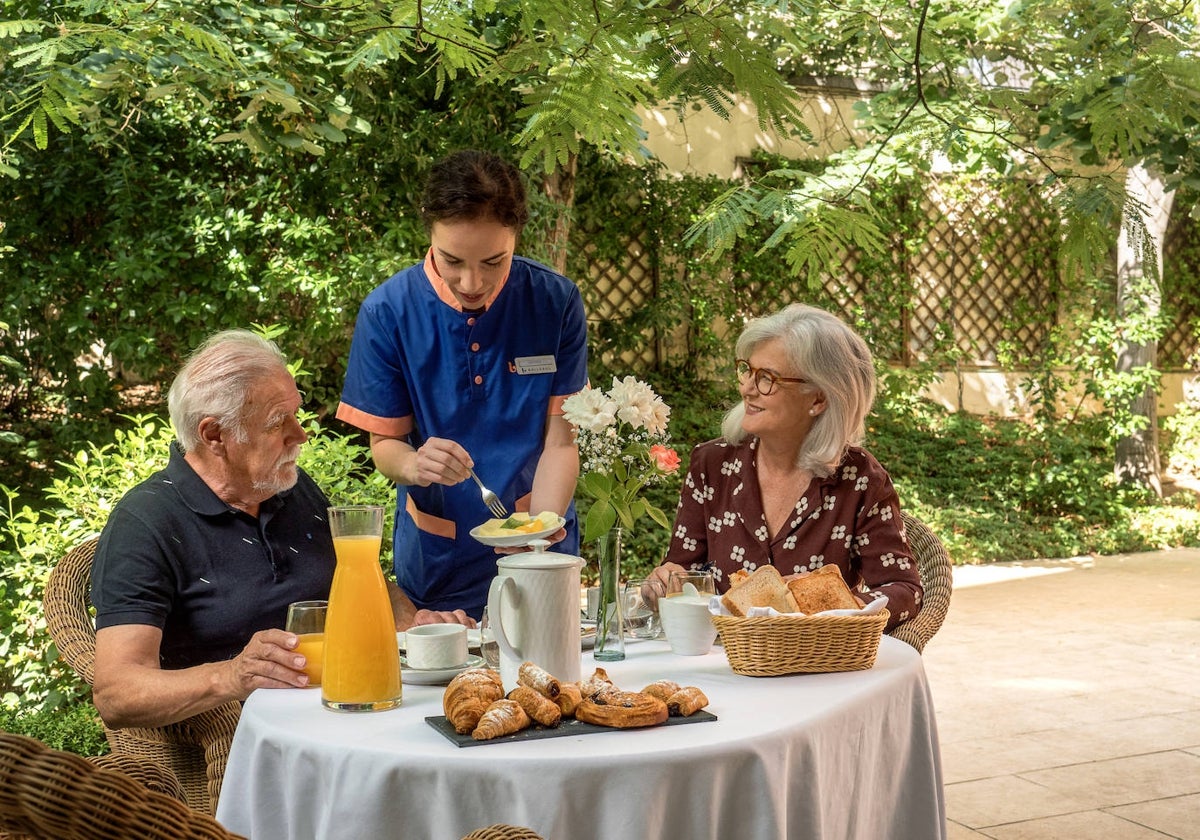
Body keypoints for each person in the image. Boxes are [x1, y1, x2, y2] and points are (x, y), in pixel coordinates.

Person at [91, 330, 471, 730]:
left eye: (295, 413)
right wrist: (231, 675)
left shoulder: (290, 487)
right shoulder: (145, 522)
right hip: (248, 738)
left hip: (350, 708)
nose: (300, 434)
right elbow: (117, 693)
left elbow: (360, 580)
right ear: (214, 435)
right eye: (277, 423)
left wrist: (414, 628)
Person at [336, 149, 588, 618]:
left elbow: (561, 442)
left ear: (516, 237)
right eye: (452, 260)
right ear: (429, 231)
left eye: (494, 262)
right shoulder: (388, 312)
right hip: (439, 564)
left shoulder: (555, 303)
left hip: (541, 548)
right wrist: (414, 464)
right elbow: (385, 444)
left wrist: (535, 537)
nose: (471, 282)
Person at [649, 304, 922, 631]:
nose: (747, 388)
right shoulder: (711, 465)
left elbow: (905, 591)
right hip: (725, 666)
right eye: (747, 370)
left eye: (767, 378)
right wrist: (664, 582)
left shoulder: (859, 480)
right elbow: (683, 569)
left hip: (817, 670)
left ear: (818, 399)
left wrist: (825, 607)